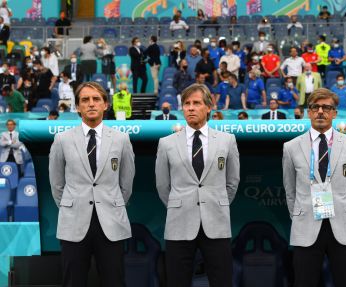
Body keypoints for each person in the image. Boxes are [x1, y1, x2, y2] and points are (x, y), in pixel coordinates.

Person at [49, 82, 135, 287]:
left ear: (106, 104)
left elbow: (126, 183)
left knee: (114, 281)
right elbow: (56, 183)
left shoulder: (122, 139)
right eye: (85, 100)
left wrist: (112, 204)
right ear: (77, 107)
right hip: (74, 222)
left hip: (111, 222)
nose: (91, 104)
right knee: (73, 281)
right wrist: (71, 205)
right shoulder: (62, 139)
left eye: (96, 99)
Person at [155, 83, 240, 287]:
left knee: (222, 281)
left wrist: (215, 203)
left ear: (208, 107)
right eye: (186, 104)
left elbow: (232, 182)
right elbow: (162, 186)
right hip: (179, 222)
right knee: (177, 280)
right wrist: (181, 204)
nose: (190, 108)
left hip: (216, 222)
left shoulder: (227, 141)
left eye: (196, 103)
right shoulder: (166, 143)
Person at [282, 88, 346, 287]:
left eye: (326, 107)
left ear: (334, 113)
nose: (321, 111)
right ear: (308, 112)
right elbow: (290, 189)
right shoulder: (291, 147)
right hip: (306, 227)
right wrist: (298, 215)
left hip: (344, 226)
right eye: (315, 107)